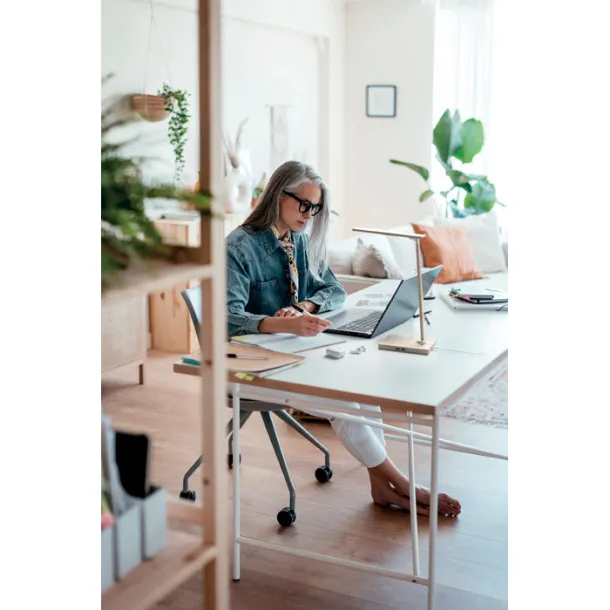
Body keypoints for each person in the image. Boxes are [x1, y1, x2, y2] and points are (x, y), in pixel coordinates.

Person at [226, 160, 461, 517]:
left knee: (363, 392)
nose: (309, 214)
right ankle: (404, 485)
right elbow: (228, 319)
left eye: (315, 208)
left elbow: (333, 290)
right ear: (277, 195)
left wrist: (304, 305)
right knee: (346, 404)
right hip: (255, 367)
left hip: (297, 352)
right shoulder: (240, 247)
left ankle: (380, 485)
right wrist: (283, 325)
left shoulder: (297, 241)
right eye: (303, 204)